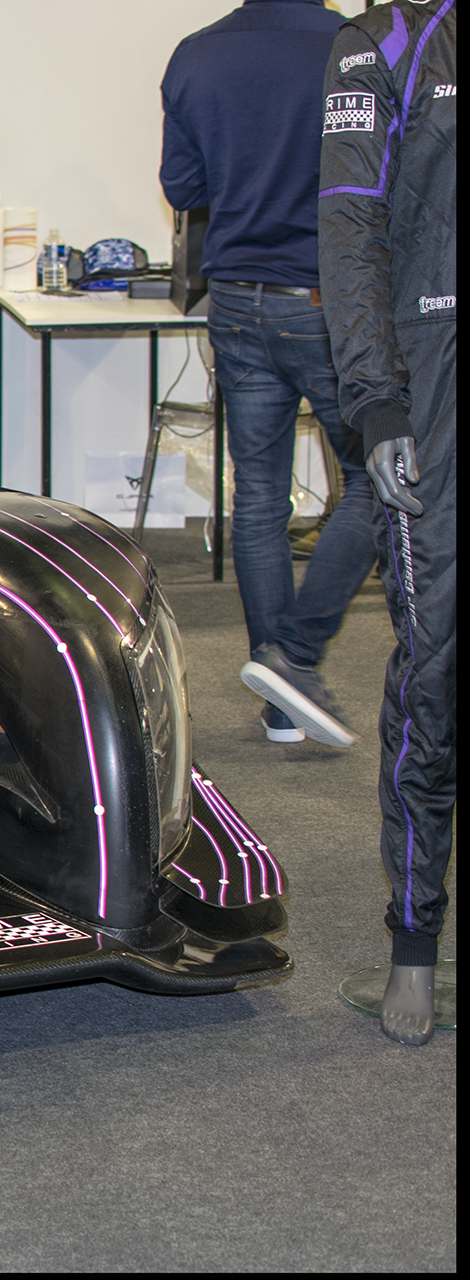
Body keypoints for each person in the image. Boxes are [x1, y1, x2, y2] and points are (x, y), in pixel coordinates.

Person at [160, 0, 378, 750]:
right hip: (328, 301)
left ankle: (281, 702)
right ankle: (296, 656)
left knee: (257, 499)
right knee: (378, 478)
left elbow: (185, 187)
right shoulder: (353, 43)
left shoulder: (195, 53)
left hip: (237, 298)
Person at [316, 0, 456, 1047]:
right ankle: (416, 948)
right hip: (433, 392)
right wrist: (377, 400)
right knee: (436, 669)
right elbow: (351, 222)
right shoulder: (381, 43)